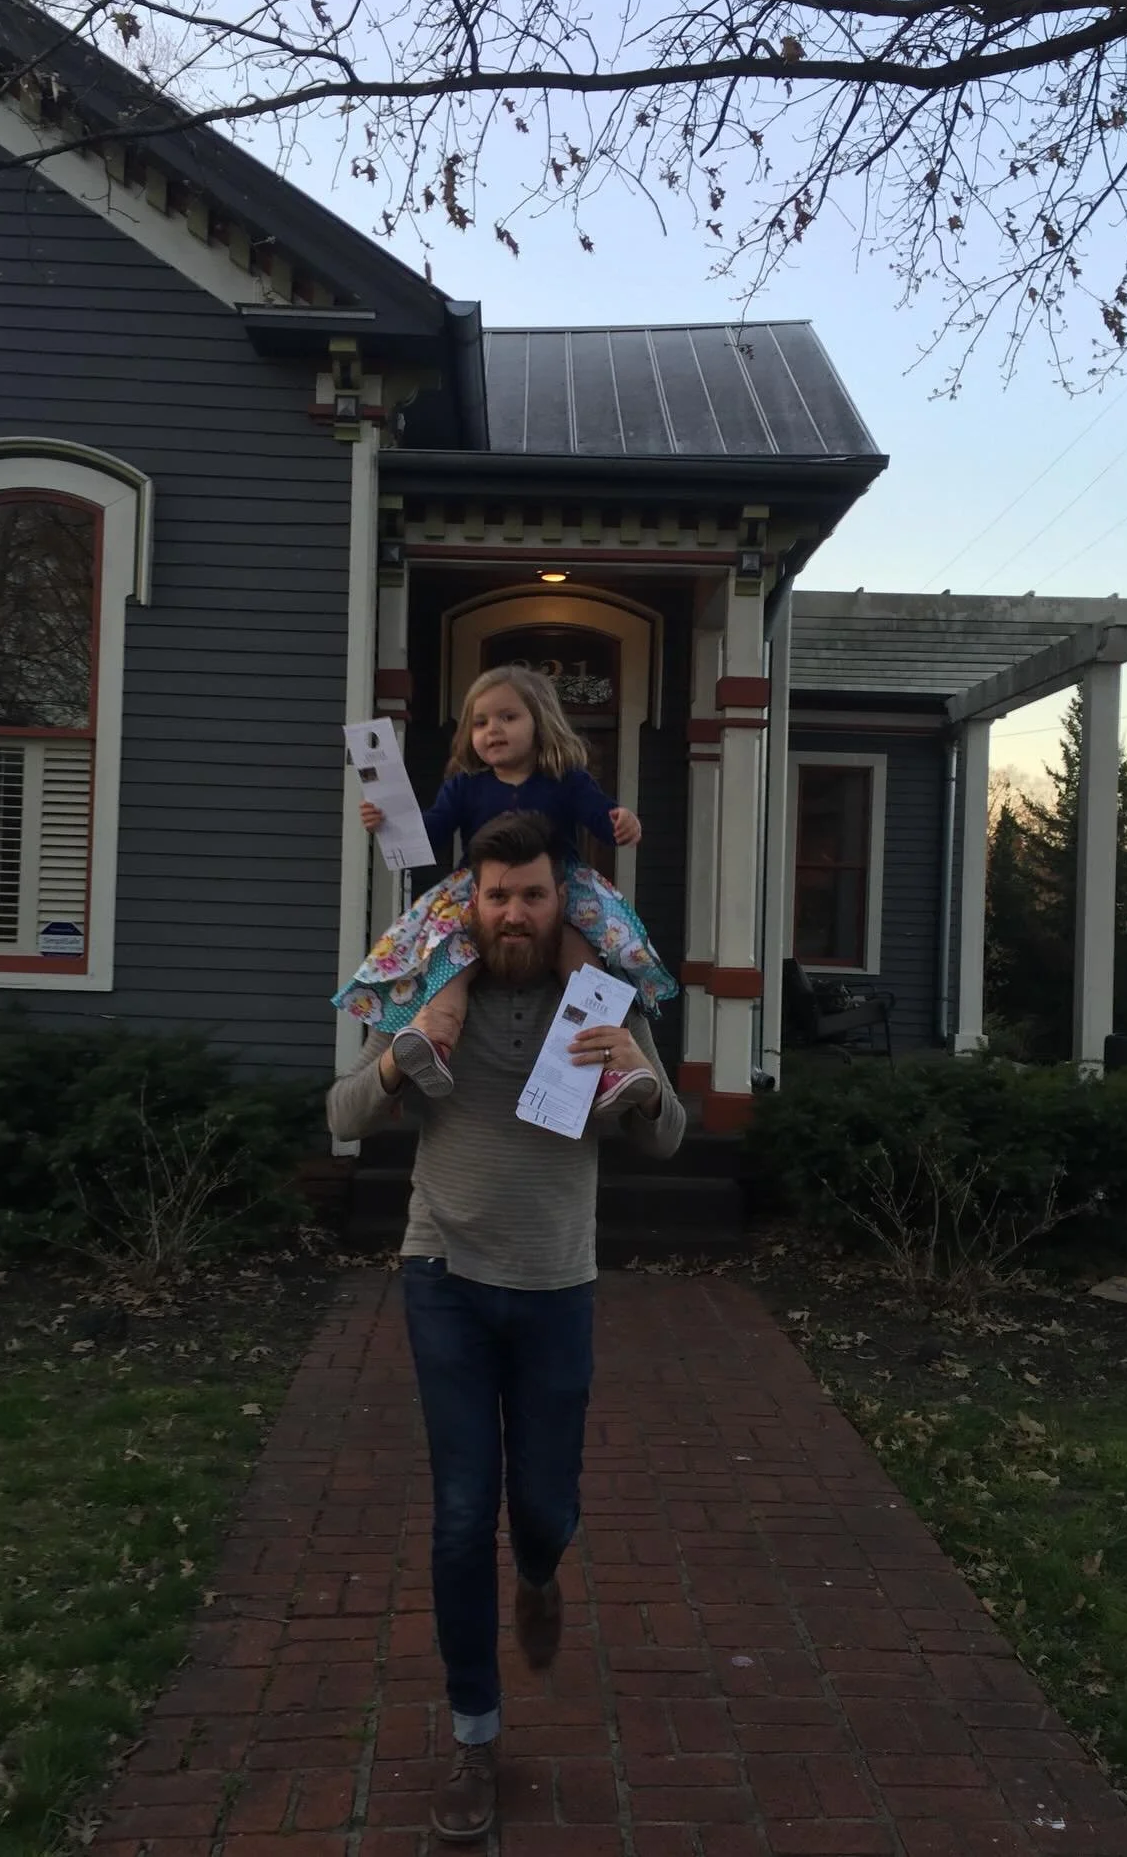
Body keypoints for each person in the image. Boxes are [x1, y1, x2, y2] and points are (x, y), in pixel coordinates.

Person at [327, 810, 686, 1844]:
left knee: (539, 1506)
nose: (515, 914)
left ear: (559, 902)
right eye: (497, 898)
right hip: (442, 1275)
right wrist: (400, 1060)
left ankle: (539, 1571)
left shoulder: (600, 998)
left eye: (533, 895)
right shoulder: (432, 995)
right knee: (456, 1515)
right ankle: (474, 1742)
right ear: (469, 905)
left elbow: (663, 1137)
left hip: (556, 1285)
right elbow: (342, 1114)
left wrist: (641, 1072)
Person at [332, 665, 677, 1110]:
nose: (492, 730)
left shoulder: (566, 779)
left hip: (558, 894)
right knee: (452, 959)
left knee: (585, 969)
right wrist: (388, 823)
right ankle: (434, 1041)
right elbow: (429, 834)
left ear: (540, 721)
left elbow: (603, 820)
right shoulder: (464, 787)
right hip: (479, 893)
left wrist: (624, 821)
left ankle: (606, 1068)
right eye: (480, 722)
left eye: (507, 717)